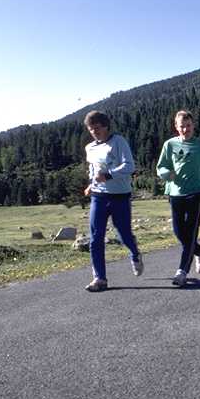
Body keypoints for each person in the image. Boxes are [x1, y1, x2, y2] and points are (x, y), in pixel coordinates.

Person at [156, 110, 200, 287]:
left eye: (188, 126)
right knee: (179, 232)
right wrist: (166, 174)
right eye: (182, 126)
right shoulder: (169, 145)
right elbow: (161, 166)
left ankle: (182, 272)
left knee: (191, 232)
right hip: (175, 193)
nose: (185, 129)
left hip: (195, 193)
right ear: (176, 127)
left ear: (193, 125)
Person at [82, 110, 144, 292]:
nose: (94, 132)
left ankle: (135, 253)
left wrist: (109, 175)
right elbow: (94, 170)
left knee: (123, 233)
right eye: (91, 129)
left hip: (120, 196)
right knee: (95, 238)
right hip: (98, 196)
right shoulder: (90, 148)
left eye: (97, 128)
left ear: (106, 126)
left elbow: (129, 166)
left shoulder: (118, 142)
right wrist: (91, 184)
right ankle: (99, 278)